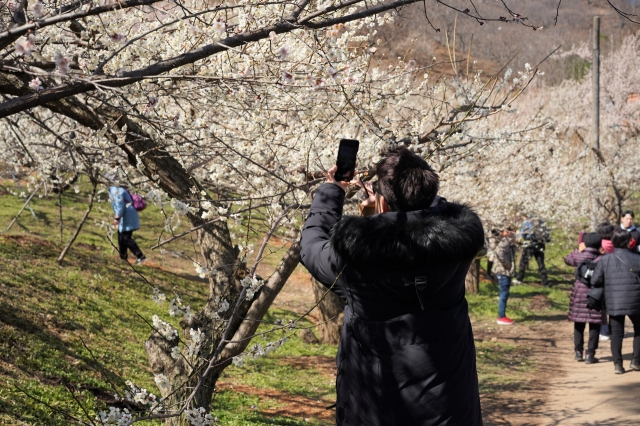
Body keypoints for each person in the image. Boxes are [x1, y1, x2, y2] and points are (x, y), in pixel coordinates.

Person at [300, 146, 484, 425]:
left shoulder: (356, 260)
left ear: (383, 204)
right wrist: (391, 211)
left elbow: (312, 247)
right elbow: (431, 217)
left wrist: (332, 190)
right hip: (450, 407)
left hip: (374, 407)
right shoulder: (458, 250)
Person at [591, 228, 640, 374]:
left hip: (614, 300)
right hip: (636, 300)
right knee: (639, 330)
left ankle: (618, 365)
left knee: (617, 333)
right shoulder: (638, 259)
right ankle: (636, 361)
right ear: (629, 242)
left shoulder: (605, 259)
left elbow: (595, 280)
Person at [564, 233, 605, 364]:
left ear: (585, 243)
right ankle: (590, 354)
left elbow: (567, 259)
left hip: (579, 293)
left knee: (579, 322)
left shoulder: (577, 256)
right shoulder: (602, 258)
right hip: (596, 295)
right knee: (595, 324)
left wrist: (577, 250)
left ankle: (578, 352)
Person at [109, 185, 146, 264]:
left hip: (127, 217)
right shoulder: (117, 189)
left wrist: (117, 218)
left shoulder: (115, 189)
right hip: (126, 216)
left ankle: (140, 256)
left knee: (125, 238)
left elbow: (119, 204)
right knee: (121, 238)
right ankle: (123, 258)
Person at [514, 214, 550, 287]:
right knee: (541, 264)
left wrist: (518, 234)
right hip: (540, 244)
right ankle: (545, 281)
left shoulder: (526, 222)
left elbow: (522, 235)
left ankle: (519, 279)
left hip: (530, 245)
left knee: (523, 262)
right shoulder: (540, 221)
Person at [490, 227, 517, 325]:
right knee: (504, 294)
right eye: (508, 231)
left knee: (504, 294)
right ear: (502, 232)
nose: (510, 233)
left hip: (501, 271)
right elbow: (499, 253)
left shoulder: (500, 240)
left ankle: (502, 315)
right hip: (503, 271)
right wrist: (506, 264)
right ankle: (501, 316)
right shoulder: (504, 241)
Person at [596, 222, 615, 340]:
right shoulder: (616, 244)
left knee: (601, 306)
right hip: (614, 277)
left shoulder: (598, 245)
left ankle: (603, 331)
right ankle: (612, 329)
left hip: (601, 277)